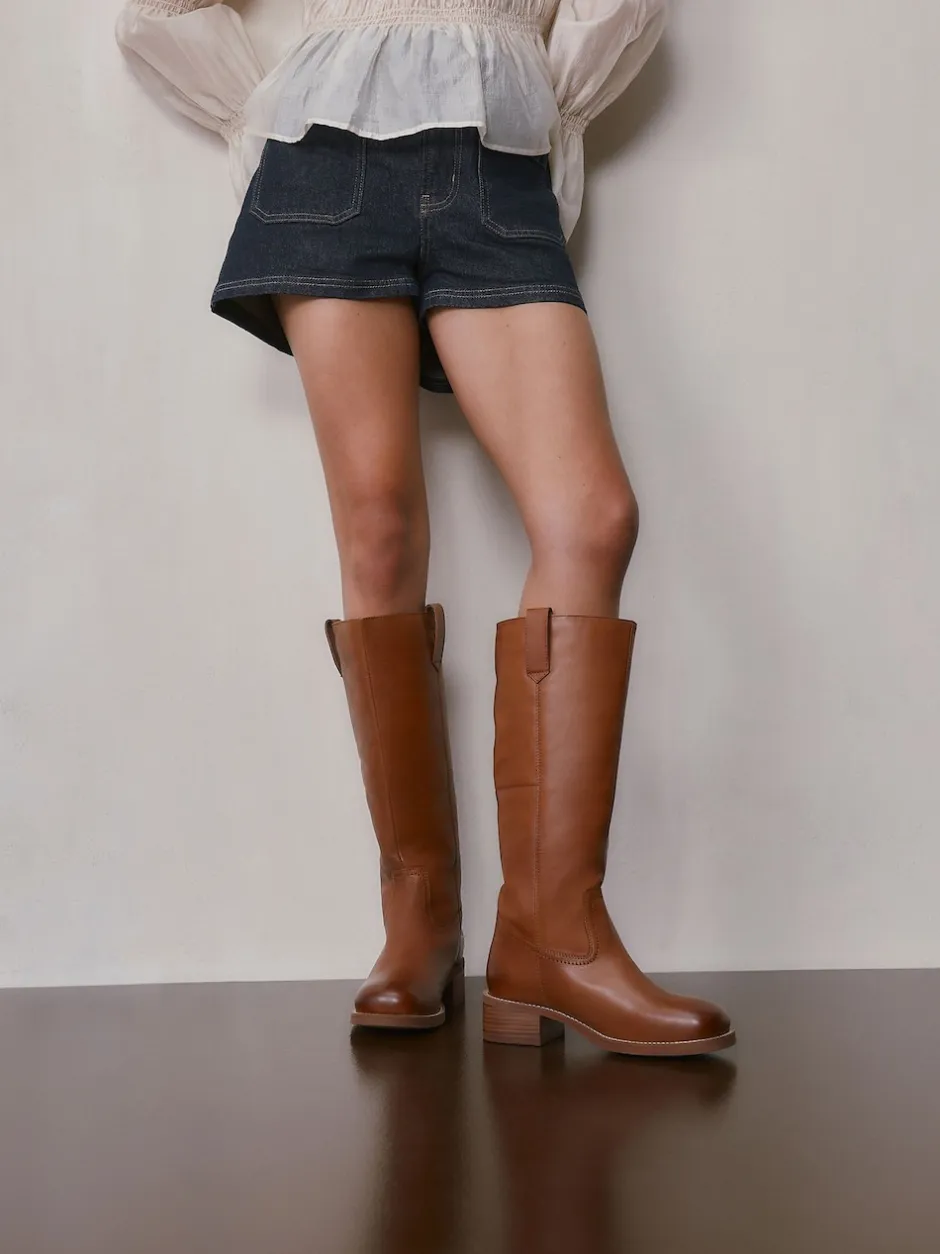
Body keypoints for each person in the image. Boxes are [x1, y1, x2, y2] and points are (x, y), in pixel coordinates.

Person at [116, 0, 735, 1056]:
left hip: (496, 165)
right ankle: (419, 917)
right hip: (324, 165)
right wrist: (262, 111)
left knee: (591, 518)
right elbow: (156, 13)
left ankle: (549, 934)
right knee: (379, 534)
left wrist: (537, 101)